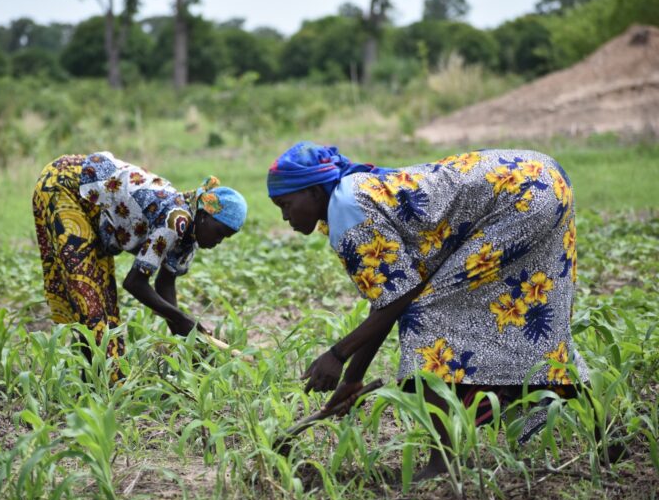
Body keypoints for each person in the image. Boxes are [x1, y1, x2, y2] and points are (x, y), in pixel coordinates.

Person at [267, 141, 588, 479]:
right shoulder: (348, 199)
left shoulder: (349, 209)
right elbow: (388, 300)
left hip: (520, 196)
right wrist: (353, 378)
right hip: (540, 178)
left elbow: (398, 301)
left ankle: (442, 462)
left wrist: (338, 353)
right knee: (530, 318)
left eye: (286, 204)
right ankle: (608, 438)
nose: (285, 216)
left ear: (316, 192)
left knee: (426, 319)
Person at [33, 151, 247, 383]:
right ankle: (95, 385)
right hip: (69, 184)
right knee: (87, 293)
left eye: (226, 238)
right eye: (219, 233)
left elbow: (165, 286)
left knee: (104, 298)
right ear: (205, 216)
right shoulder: (177, 220)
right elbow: (134, 283)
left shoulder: (190, 239)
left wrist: (191, 342)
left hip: (98, 208)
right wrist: (183, 319)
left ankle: (106, 382)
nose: (218, 242)